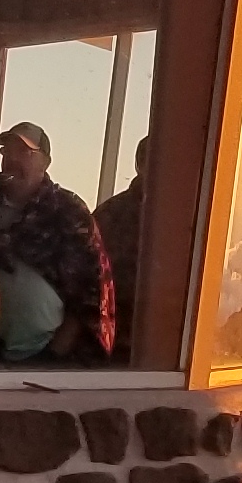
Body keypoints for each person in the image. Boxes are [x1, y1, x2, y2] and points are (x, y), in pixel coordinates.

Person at [0, 122, 112, 363]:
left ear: (45, 163)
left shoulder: (67, 210)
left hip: (46, 357)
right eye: (7, 151)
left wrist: (54, 355)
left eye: (24, 152)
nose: (12, 159)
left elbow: (91, 290)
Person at [94, 135, 153, 363]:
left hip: (165, 343)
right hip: (116, 342)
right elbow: (88, 275)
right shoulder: (110, 215)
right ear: (139, 164)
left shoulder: (190, 219)